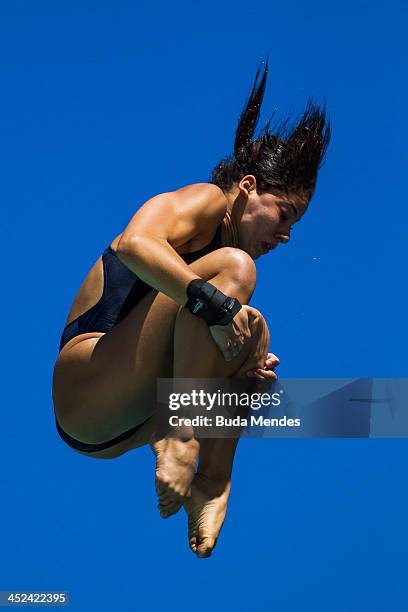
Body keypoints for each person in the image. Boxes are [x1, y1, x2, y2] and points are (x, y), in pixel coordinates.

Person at [52, 59, 330, 558]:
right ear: (247, 188)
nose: (286, 236)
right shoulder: (202, 203)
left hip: (121, 427)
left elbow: (220, 321)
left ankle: (213, 482)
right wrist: (211, 303)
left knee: (255, 334)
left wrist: (238, 377)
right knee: (237, 278)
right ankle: (181, 433)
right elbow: (137, 243)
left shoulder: (222, 257)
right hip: (87, 388)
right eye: (283, 214)